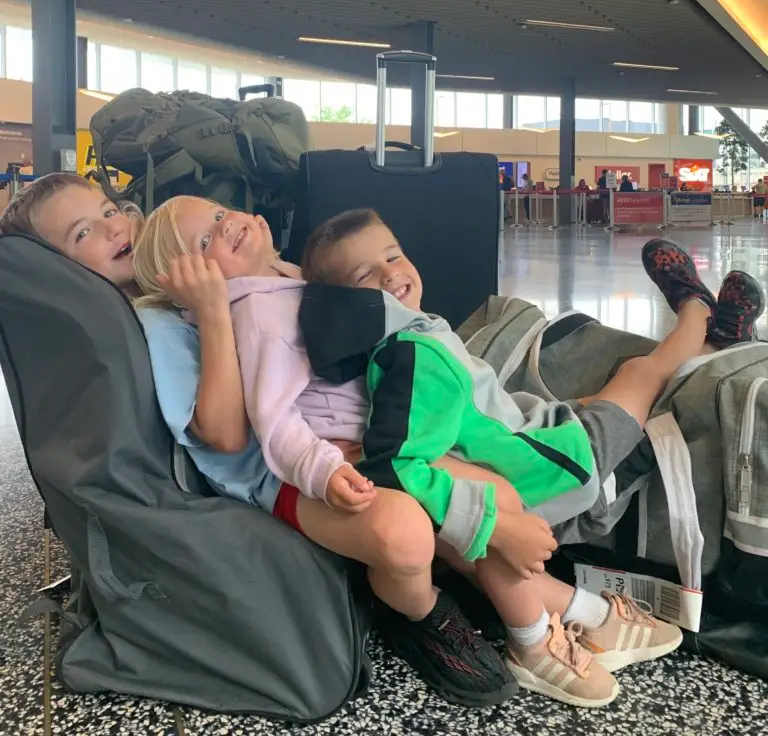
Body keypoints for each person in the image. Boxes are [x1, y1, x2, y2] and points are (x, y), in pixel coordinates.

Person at [134, 197, 745, 707]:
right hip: (494, 450)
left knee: (607, 400)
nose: (225, 224)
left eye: (220, 212)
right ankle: (696, 309)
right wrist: (323, 462)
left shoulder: (289, 284)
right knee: (638, 379)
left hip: (478, 429)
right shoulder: (246, 314)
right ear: (182, 277)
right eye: (206, 236)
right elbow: (256, 425)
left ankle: (705, 325)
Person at [0, 174, 515, 708]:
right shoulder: (158, 319)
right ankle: (427, 614)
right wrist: (212, 310)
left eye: (110, 209)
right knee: (414, 523)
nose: (113, 228)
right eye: (84, 232)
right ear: (55, 272)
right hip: (282, 468)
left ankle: (523, 605)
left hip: (341, 435)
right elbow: (224, 437)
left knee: (493, 496)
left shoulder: (238, 283)